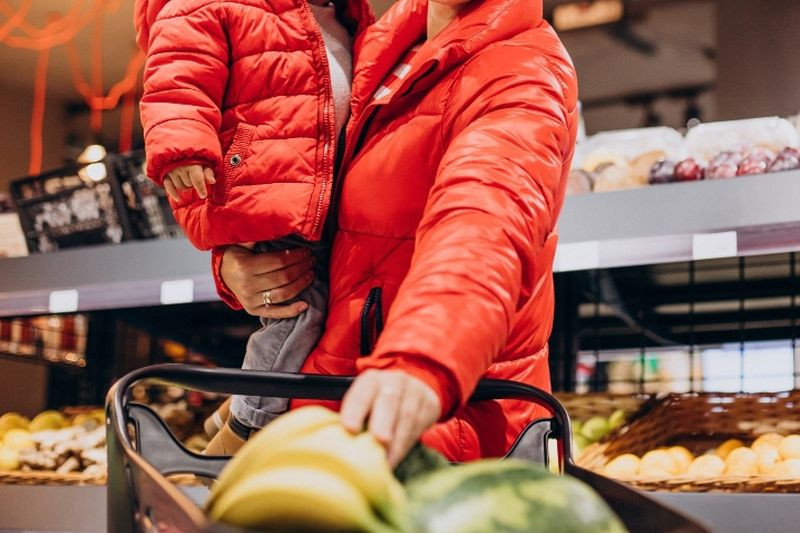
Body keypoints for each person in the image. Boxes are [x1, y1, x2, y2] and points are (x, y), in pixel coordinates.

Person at [217, 0, 578, 465]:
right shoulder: (375, 48)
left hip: (448, 438)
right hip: (342, 411)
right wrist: (239, 265)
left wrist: (422, 359)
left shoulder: (523, 69)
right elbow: (289, 177)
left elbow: (486, 221)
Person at [134, 0, 373, 454]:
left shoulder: (351, 17)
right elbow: (177, 76)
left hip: (323, 202)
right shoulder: (216, 4)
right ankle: (245, 427)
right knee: (298, 310)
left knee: (318, 314)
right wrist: (181, 149)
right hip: (268, 189)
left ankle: (236, 405)